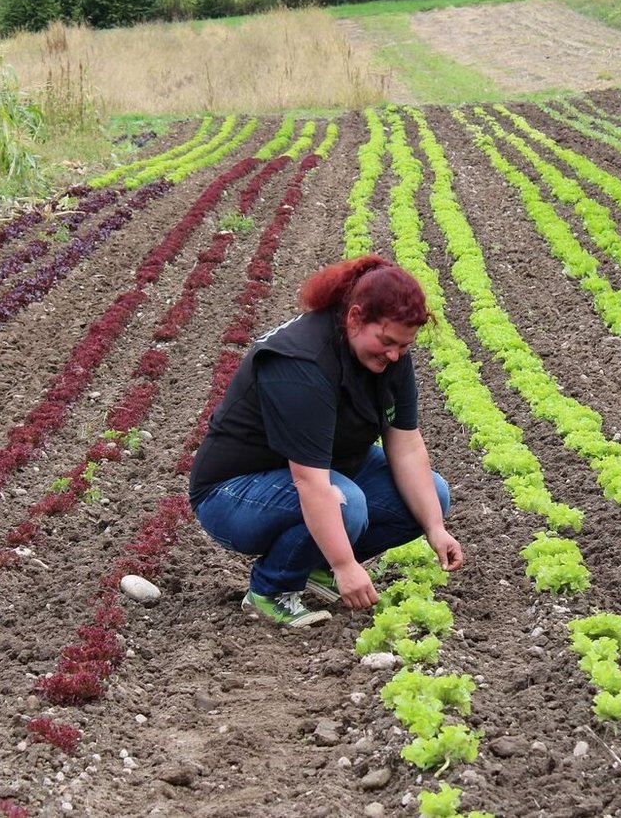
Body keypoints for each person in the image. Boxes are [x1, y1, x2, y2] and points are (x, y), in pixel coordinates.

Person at [188, 255, 464, 627]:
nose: (394, 354)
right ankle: (270, 590)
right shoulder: (302, 364)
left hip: (325, 469)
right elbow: (311, 483)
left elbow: (407, 444)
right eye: (386, 341)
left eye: (404, 345)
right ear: (354, 318)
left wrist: (434, 526)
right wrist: (345, 564)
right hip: (234, 492)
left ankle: (313, 567)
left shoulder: (391, 357)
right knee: (345, 503)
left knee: (433, 494)